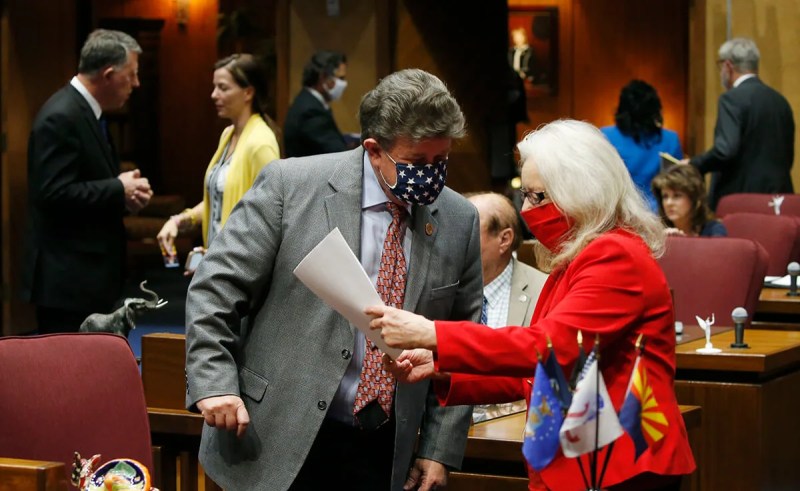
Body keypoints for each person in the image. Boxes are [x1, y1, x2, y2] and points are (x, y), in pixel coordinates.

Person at [185, 68, 482, 491]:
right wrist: (214, 382)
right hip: (274, 431)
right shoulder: (291, 185)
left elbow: (462, 340)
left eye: (441, 161)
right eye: (417, 163)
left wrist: (439, 448)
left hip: (384, 445)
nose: (431, 174)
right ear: (374, 150)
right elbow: (217, 288)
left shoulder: (459, 219)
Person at [367, 120, 696, 491]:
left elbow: (544, 348)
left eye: (538, 196)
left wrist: (432, 334)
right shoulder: (579, 257)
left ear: (582, 192)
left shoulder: (614, 256)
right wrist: (442, 366)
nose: (525, 209)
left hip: (620, 464)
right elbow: (541, 371)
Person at [21, 29, 153, 333]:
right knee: (67, 375)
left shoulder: (87, 112)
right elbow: (52, 193)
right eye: (131, 75)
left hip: (87, 276)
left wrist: (123, 194)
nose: (136, 83)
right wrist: (118, 187)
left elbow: (83, 181)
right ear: (108, 74)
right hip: (68, 283)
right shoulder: (61, 116)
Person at [156, 54, 280, 264]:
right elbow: (219, 201)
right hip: (218, 262)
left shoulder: (261, 143)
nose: (214, 95)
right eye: (214, 87)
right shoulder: (228, 134)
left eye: (223, 88)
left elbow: (269, 217)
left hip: (240, 267)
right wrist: (178, 222)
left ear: (248, 92)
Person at [682, 37, 795, 211]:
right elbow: (787, 156)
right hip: (780, 201)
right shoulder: (781, 101)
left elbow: (725, 151)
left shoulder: (731, 99)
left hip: (741, 201)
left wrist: (694, 164)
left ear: (728, 66)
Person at [467, 192, 548, 423]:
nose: (457, 236)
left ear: (504, 239)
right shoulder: (443, 288)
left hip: (517, 433)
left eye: (469, 226)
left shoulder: (543, 290)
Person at [601, 80, 683, 212]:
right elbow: (678, 183)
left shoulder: (605, 136)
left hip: (619, 212)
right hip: (660, 214)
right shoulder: (671, 139)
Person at [283, 50, 349, 157]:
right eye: (340, 78)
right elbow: (338, 154)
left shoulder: (308, 101)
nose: (344, 84)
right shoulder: (311, 112)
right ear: (323, 77)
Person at [651, 165, 727, 237]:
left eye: (677, 196)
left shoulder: (714, 230)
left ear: (694, 199)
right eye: (665, 196)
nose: (669, 203)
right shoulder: (656, 232)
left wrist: (686, 244)